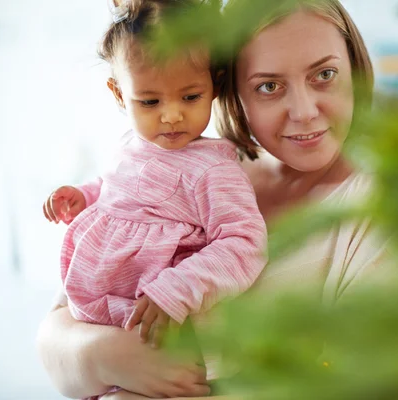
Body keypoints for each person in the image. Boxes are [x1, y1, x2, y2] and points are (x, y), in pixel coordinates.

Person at [37, 0, 398, 398]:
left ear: (355, 70)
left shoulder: (382, 213)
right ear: (230, 91)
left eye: (325, 74)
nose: (303, 111)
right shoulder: (176, 163)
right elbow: (56, 338)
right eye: (268, 86)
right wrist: (105, 355)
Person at [39, 0, 266, 397]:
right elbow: (121, 192)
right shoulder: (130, 142)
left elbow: (245, 243)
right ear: (117, 93)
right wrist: (85, 195)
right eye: (150, 101)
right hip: (105, 325)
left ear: (214, 83)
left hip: (163, 329)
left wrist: (175, 290)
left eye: (190, 97)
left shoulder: (214, 170)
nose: (172, 116)